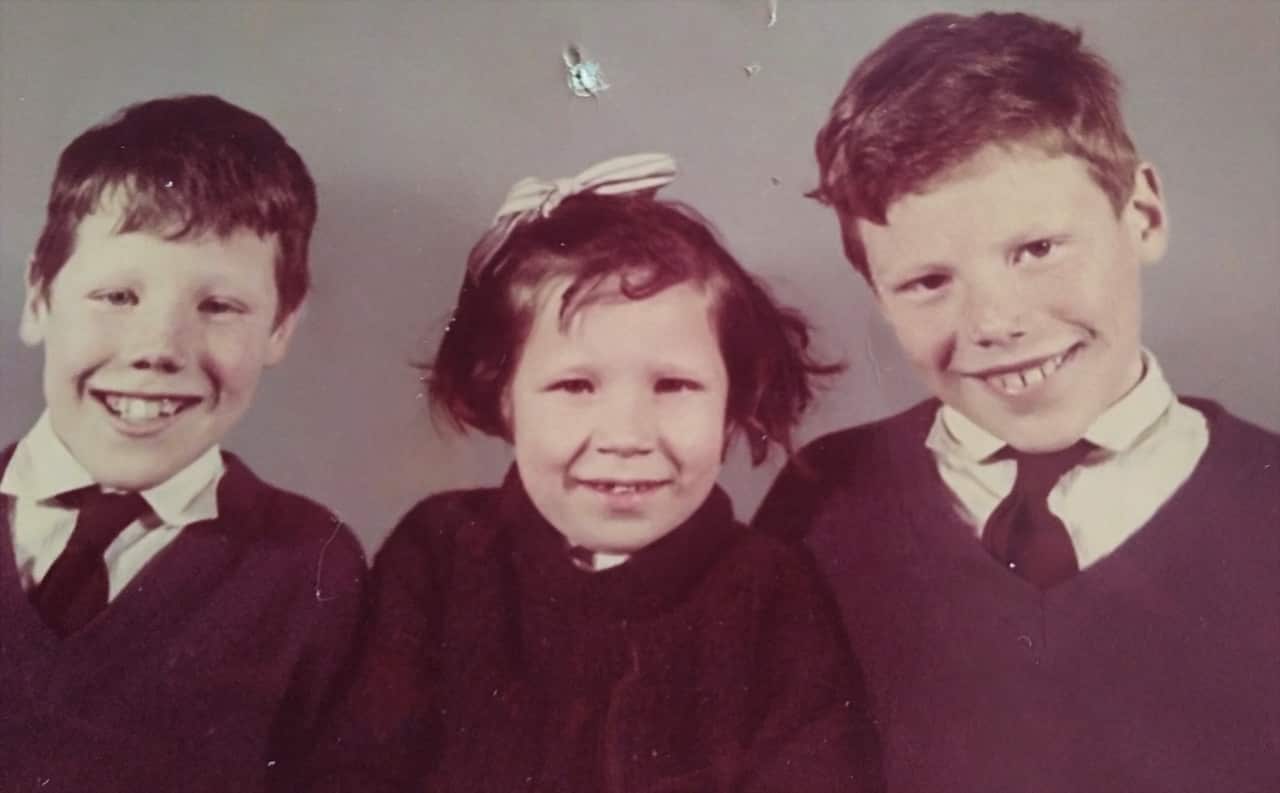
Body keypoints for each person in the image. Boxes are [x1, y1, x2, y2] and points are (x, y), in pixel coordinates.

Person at [753, 11, 1280, 793]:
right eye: (928, 282)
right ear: (877, 292)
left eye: (1036, 250)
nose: (995, 323)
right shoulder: (818, 503)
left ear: (1143, 215)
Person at [312, 153, 883, 792]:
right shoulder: (440, 555)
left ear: (732, 406)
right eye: (576, 386)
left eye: (674, 385)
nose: (626, 436)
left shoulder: (771, 591)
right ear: (503, 396)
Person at [0, 94, 366, 793]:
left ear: (280, 328)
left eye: (219, 306)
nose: (159, 348)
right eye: (117, 296)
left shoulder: (312, 571)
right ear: (39, 299)